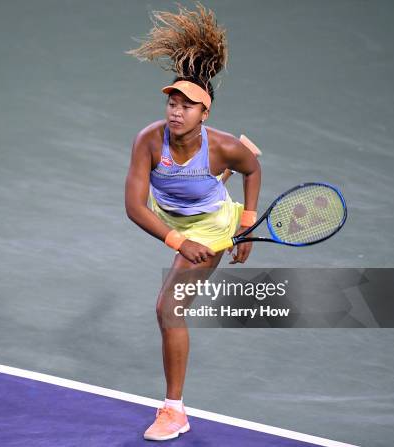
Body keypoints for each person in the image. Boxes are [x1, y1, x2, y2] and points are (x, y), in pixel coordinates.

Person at [124, 3, 261, 441]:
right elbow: (134, 206)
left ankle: (174, 411)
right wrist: (176, 241)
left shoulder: (221, 146)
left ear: (206, 114)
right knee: (193, 184)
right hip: (172, 213)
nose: (176, 111)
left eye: (188, 105)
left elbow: (254, 173)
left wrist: (247, 222)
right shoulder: (149, 139)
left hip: (211, 225)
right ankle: (212, 182)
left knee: (168, 309)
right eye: (172, 101)